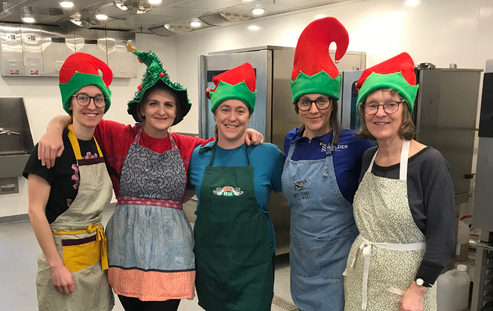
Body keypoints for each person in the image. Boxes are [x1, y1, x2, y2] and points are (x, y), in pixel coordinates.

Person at [37, 44, 263, 311]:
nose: (161, 111)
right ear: (142, 108)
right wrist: (54, 128)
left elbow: (225, 144)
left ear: (177, 112)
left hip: (172, 252)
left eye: (169, 105)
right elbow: (79, 118)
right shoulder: (119, 137)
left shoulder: (190, 147)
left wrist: (249, 134)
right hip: (126, 247)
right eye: (153, 104)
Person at [343, 52, 455, 311]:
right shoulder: (369, 157)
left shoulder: (429, 162)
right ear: (363, 111)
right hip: (362, 280)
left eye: (391, 104)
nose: (380, 113)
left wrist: (419, 287)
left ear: (405, 109)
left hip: (407, 287)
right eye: (372, 104)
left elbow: (443, 236)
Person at [281, 17, 372, 311]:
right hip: (302, 260)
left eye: (322, 100)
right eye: (305, 102)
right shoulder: (291, 142)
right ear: (296, 105)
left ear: (332, 102)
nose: (314, 109)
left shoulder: (355, 145)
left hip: (340, 265)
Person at [187, 62, 285, 311]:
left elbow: (293, 194)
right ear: (215, 114)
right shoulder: (199, 155)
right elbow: (182, 194)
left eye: (240, 111)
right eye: (225, 109)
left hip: (254, 263)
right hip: (210, 261)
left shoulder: (269, 155)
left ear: (249, 115)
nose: (232, 117)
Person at [23, 53, 115, 311]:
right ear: (70, 102)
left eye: (98, 99)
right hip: (62, 256)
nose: (91, 105)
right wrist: (55, 266)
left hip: (96, 259)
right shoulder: (50, 148)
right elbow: (35, 211)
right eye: (82, 97)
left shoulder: (103, 141)